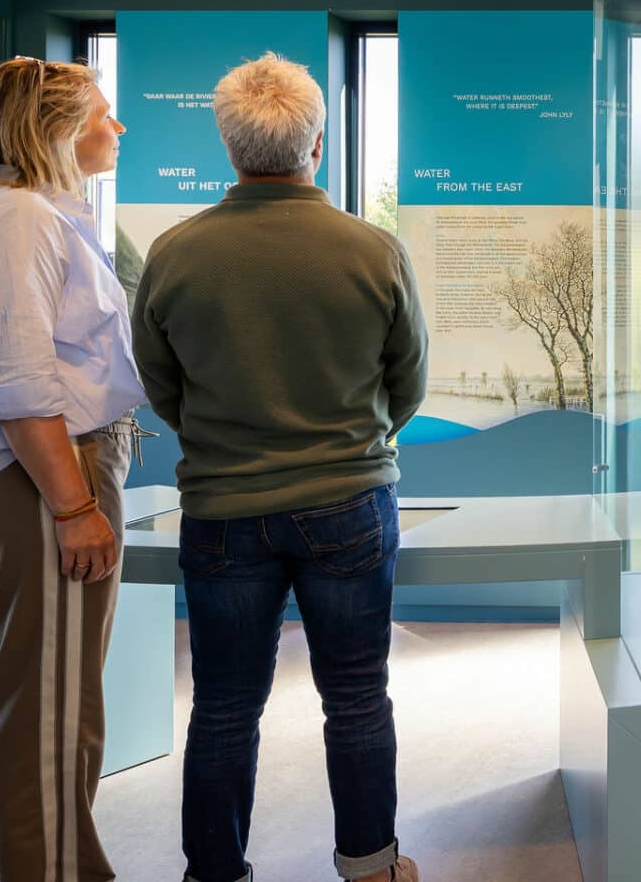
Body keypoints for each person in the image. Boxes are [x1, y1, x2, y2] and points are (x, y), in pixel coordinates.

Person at [131, 54, 429, 882]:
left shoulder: (174, 254)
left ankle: (214, 873)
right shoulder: (373, 250)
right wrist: (357, 440)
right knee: (357, 695)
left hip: (221, 507)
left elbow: (161, 385)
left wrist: (224, 445)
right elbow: (408, 381)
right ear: (317, 145)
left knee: (224, 706)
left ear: (228, 146)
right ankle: (372, 867)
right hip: (349, 499)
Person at [0, 56, 145, 882]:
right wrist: (74, 506)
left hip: (39, 470)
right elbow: (17, 381)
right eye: (101, 114)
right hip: (42, 474)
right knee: (51, 705)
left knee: (24, 687)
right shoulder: (18, 220)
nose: (116, 127)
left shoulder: (30, 214)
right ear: (53, 129)